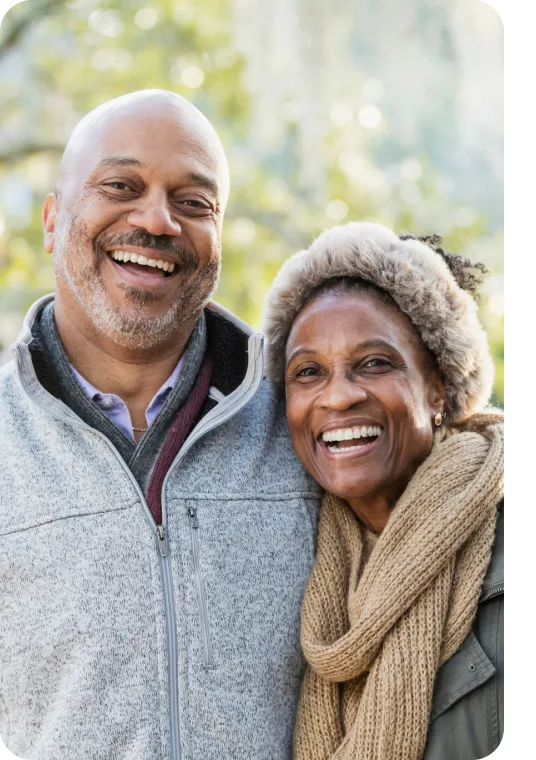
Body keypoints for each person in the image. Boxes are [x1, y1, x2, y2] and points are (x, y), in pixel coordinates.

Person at [0, 89, 321, 760]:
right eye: (121, 185)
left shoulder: (304, 426)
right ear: (53, 219)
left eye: (194, 202)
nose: (157, 220)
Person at [262, 222, 503, 760]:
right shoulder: (286, 553)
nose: (338, 397)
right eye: (308, 372)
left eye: (374, 363)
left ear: (438, 387)